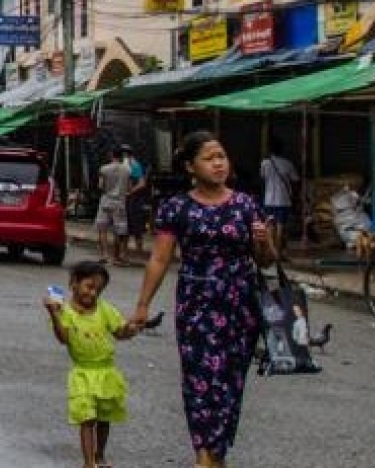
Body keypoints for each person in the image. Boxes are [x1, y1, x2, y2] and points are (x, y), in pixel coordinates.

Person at [129, 130, 276, 468]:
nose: (218, 163)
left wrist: (264, 241)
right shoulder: (176, 208)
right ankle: (203, 455)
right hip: (196, 305)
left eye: (221, 156)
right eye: (209, 158)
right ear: (191, 166)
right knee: (199, 382)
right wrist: (142, 305)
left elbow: (266, 261)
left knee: (231, 383)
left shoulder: (246, 204)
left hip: (240, 304)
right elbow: (159, 259)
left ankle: (216, 454)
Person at [44, 261, 135, 468]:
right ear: (73, 283)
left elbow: (119, 332)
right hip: (83, 373)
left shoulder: (105, 309)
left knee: (104, 418)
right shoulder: (64, 312)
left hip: (106, 372)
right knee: (87, 419)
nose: (93, 294)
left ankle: (99, 455)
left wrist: (130, 328)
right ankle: (88, 463)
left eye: (99, 290)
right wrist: (53, 314)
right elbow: (63, 338)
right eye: (90, 287)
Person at [94, 148, 132, 266]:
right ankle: (118, 256)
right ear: (121, 157)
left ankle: (104, 255)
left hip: (105, 201)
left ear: (112, 155)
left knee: (102, 229)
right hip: (119, 203)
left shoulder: (104, 169)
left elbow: (100, 186)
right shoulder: (127, 170)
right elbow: (129, 188)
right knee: (119, 230)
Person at [259, 144, 300, 251]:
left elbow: (263, 179)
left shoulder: (265, 163)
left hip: (269, 200)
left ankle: (272, 251)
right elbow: (295, 180)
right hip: (283, 200)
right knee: (280, 226)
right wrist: (295, 196)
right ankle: (278, 250)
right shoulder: (287, 164)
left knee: (270, 225)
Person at [124, 148, 149, 256]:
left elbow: (142, 183)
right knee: (125, 226)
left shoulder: (134, 165)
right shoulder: (127, 165)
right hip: (129, 199)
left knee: (136, 226)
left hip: (134, 200)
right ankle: (125, 251)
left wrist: (130, 192)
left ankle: (139, 251)